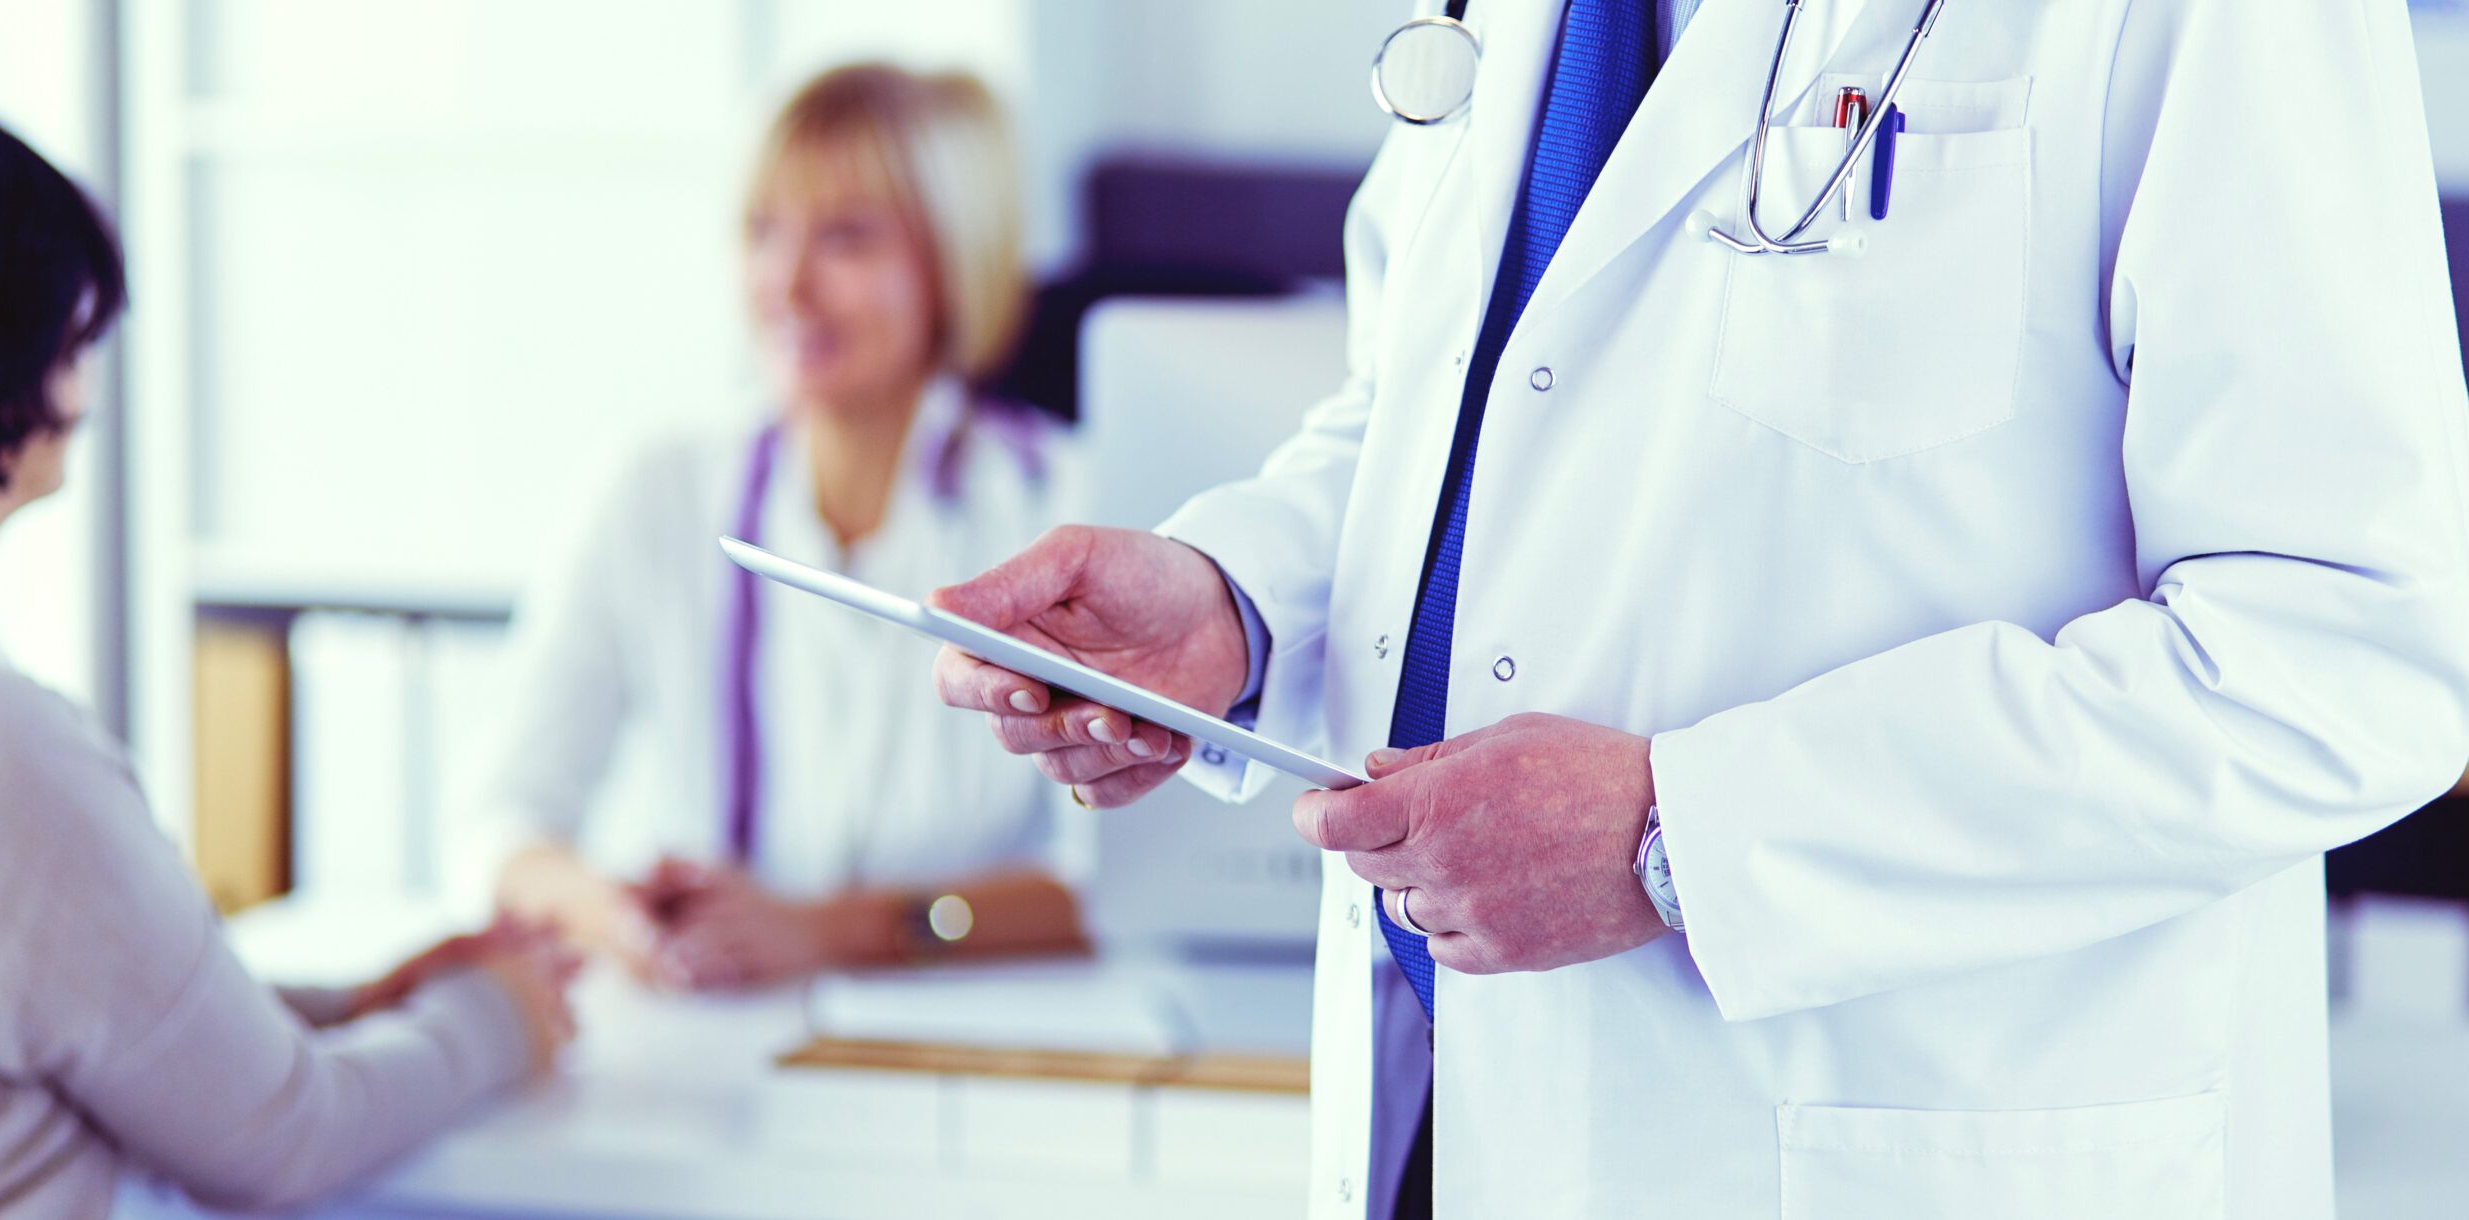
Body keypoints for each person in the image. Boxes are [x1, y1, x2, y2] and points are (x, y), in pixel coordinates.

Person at [931, 1, 2469, 1216]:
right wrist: (1240, 597)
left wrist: (1688, 834)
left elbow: (2348, 650)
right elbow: (1442, 406)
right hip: (1447, 1123)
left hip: (1897, 1144)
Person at [0, 101, 580, 1218]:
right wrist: (499, 1014)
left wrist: (351, 1000)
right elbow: (283, 1135)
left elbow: (53, 1014)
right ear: (6, 360)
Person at [478, 63, 1090, 991]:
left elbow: (1108, 889)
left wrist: (823, 933)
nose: (786, 283)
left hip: (981, 1043)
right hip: (712, 1041)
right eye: (764, 231)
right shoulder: (655, 492)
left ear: (952, 262)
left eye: (845, 239)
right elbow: (503, 826)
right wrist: (627, 921)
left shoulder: (1067, 510)